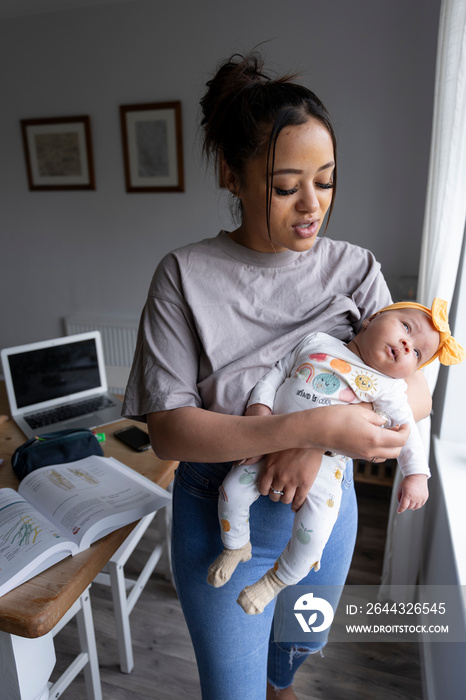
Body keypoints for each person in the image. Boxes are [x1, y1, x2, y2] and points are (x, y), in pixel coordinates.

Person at [122, 51, 432, 700]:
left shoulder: (354, 268)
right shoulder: (184, 275)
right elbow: (172, 434)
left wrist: (312, 446)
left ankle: (281, 684)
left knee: (296, 652)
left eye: (326, 181)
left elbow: (416, 390)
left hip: (327, 505)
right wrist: (309, 426)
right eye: (288, 186)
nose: (313, 205)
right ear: (233, 177)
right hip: (219, 512)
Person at [208, 298, 464, 615]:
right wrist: (260, 409)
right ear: (370, 320)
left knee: (314, 535)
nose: (406, 343)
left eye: (416, 353)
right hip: (269, 441)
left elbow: (407, 430)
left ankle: (276, 581)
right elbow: (278, 372)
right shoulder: (318, 342)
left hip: (327, 468)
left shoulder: (389, 389)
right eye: (406, 327)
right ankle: (236, 546)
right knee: (231, 490)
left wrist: (416, 474)